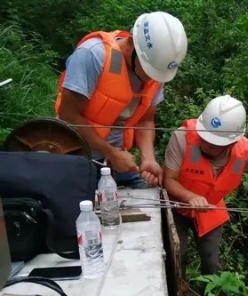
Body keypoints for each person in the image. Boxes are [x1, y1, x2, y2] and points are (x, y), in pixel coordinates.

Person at [163, 95, 248, 283]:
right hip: (177, 206)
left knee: (211, 261)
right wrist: (189, 196)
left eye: (213, 143)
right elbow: (168, 180)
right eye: (204, 138)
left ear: (231, 143)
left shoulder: (244, 150)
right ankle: (179, 292)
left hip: (211, 208)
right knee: (177, 254)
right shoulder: (182, 138)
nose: (205, 145)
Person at [55, 11, 188, 189]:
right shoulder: (92, 55)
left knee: (152, 199)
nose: (152, 78)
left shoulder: (157, 70)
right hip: (74, 156)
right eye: (149, 70)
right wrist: (110, 153)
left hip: (116, 162)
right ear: (132, 44)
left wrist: (148, 158)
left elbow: (146, 119)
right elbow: (68, 115)